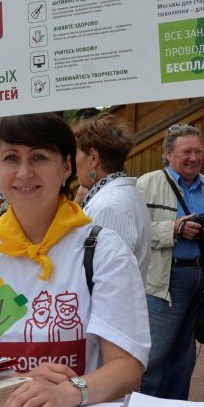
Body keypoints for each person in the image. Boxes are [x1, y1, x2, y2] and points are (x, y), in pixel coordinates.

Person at [0, 113, 149, 407]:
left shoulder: (104, 251)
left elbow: (127, 367)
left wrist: (71, 391)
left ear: (66, 167)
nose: (24, 172)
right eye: (11, 158)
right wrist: (21, 382)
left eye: (39, 157)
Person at [136, 123, 204, 400]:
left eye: (199, 151)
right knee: (156, 355)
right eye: (187, 151)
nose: (194, 157)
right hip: (165, 283)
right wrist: (174, 229)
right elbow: (135, 232)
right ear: (168, 154)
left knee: (185, 357)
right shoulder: (147, 184)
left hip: (203, 282)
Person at [71, 112, 151, 283]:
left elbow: (110, 280)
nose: (73, 164)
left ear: (93, 158)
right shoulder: (115, 197)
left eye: (75, 155)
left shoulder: (111, 206)